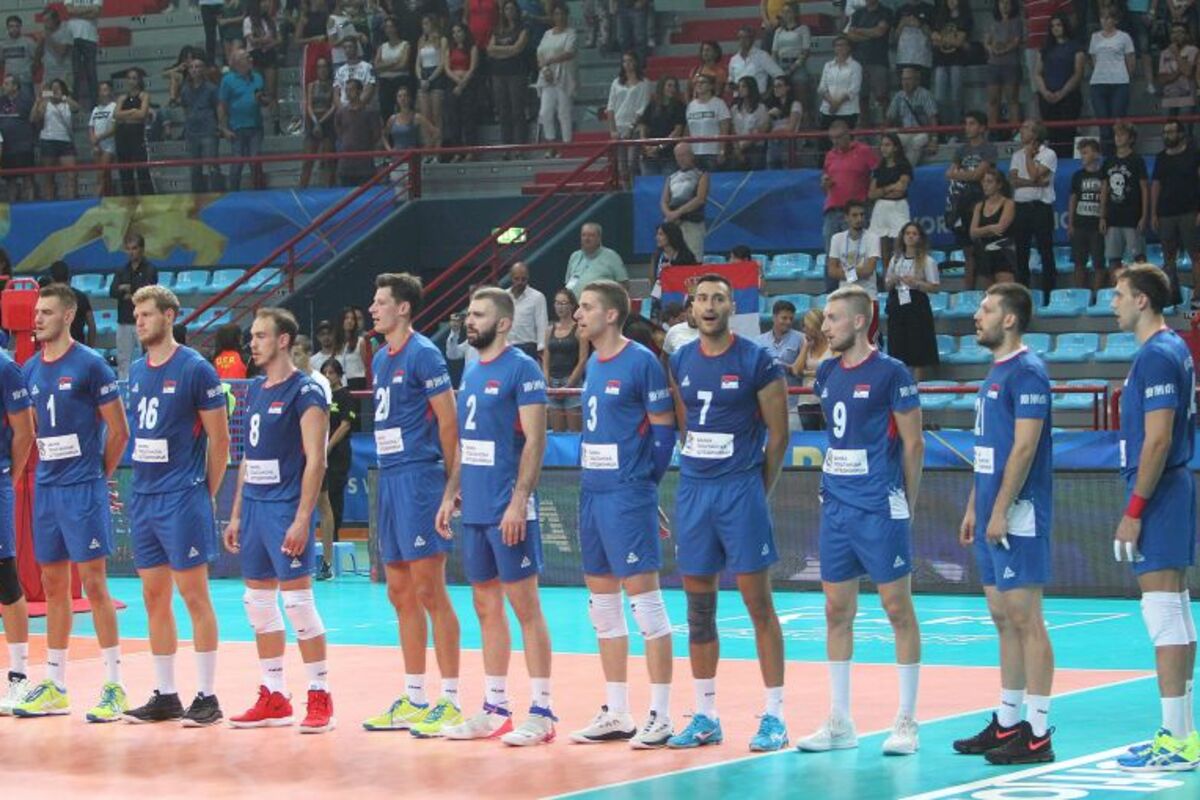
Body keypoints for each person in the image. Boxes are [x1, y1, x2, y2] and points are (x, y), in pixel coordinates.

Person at [663, 273, 789, 752]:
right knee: (699, 612)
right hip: (695, 491)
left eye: (719, 298)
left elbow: (779, 436)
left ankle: (775, 716)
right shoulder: (680, 359)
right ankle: (705, 715)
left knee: (759, 606)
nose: (710, 306)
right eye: (702, 299)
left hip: (740, 491)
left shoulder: (757, 360)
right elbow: (685, 426)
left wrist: (757, 490)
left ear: (731, 306)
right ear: (691, 308)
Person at [797, 285, 924, 756]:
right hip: (836, 506)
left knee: (897, 609)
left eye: (832, 318)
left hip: (879, 505)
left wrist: (906, 502)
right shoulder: (827, 371)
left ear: (857, 321)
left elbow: (913, 443)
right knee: (836, 610)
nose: (825, 326)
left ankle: (907, 721)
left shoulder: (892, 372)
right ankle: (839, 721)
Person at [432, 287, 556, 746]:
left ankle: (542, 711)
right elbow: (467, 443)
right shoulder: (471, 369)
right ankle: (495, 708)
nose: (470, 320)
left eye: (479, 314)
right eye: (469, 313)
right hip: (476, 508)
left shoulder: (522, 369)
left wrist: (519, 500)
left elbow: (536, 441)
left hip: (508, 507)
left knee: (526, 607)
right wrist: (451, 493)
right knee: (485, 606)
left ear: (503, 323)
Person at [565, 280, 676, 747]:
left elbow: (664, 432)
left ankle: (662, 715)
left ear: (611, 315)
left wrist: (644, 488)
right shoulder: (593, 362)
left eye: (586, 307)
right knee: (603, 608)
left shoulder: (641, 361)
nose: (577, 315)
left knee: (646, 607)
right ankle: (617, 712)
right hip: (593, 492)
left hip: (627, 494)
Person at [12, 284, 129, 722]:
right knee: (53, 585)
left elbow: (119, 431)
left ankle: (114, 687)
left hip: (83, 488)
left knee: (95, 585)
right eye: (36, 312)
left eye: (46, 312)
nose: (37, 318)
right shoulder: (29, 369)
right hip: (48, 488)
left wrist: (99, 475)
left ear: (67, 315)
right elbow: (32, 430)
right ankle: (55, 685)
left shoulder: (91, 364)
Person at [953, 282, 1056, 765]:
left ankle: (1038, 733)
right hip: (993, 511)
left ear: (1009, 319)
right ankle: (1009, 720)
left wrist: (999, 509)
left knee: (1026, 619)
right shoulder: (995, 372)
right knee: (1002, 618)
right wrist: (976, 505)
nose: (978, 316)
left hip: (1019, 513)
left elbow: (1024, 447)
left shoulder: (1028, 371)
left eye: (987, 309)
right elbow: (988, 451)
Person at [121, 286, 230, 726]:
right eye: (136, 315)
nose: (139, 321)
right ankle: (166, 695)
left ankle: (208, 696)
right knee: (153, 596)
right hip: (145, 496)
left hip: (182, 496)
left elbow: (220, 440)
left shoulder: (196, 369)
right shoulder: (136, 370)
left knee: (194, 595)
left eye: (147, 314)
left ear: (169, 316)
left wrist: (205, 492)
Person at [361, 273, 464, 736]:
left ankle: (451, 699)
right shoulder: (382, 358)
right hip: (390, 477)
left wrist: (451, 485)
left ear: (403, 308)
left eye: (380, 301)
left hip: (420, 477)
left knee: (429, 590)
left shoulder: (424, 354)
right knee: (399, 590)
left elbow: (449, 423)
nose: (372, 308)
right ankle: (414, 696)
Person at [222, 308, 334, 733]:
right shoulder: (255, 389)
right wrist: (236, 513)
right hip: (254, 508)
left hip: (286, 508)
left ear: (283, 340)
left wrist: (304, 518)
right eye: (252, 336)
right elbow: (248, 458)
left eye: (261, 336)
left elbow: (316, 460)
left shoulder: (306, 391)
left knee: (298, 605)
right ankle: (274, 695)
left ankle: (320, 694)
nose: (252, 343)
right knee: (257, 603)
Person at [1110, 264, 1200, 771]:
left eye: (1120, 295)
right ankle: (1183, 735)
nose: (1114, 304)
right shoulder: (1171, 349)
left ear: (1142, 300)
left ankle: (1176, 740)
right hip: (1171, 489)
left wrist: (1134, 510)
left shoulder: (1158, 355)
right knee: (1177, 611)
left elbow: (1159, 439)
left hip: (1160, 492)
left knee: (1163, 612)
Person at [0, 329, 35, 714]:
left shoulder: (6, 368)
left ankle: (19, 677)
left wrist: (8, 479)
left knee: (5, 576)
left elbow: (25, 431)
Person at [821, 120, 878, 284]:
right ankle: (831, 292)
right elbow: (825, 183)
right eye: (832, 138)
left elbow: (878, 173)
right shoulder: (830, 155)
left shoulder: (864, 151)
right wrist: (825, 183)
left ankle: (859, 287)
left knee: (856, 252)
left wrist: (871, 194)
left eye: (838, 137)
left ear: (848, 135)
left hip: (856, 211)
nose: (835, 142)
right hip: (833, 209)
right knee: (831, 253)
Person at [1151, 119, 1200, 309]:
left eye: (1171, 131)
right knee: (1168, 257)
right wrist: (1154, 213)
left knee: (1196, 255)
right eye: (1165, 132)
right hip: (1166, 214)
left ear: (1181, 134)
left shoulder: (1194, 154)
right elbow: (1156, 185)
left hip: (1190, 212)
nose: (1167, 135)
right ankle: (1172, 296)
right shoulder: (1161, 157)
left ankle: (1197, 296)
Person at [884, 222, 940, 380]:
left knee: (917, 347)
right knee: (897, 345)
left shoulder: (927, 261)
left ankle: (917, 384)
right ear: (902, 237)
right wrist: (893, 280)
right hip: (898, 304)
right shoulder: (895, 260)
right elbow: (887, 285)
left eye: (914, 234)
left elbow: (935, 287)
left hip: (917, 305)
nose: (910, 236)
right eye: (907, 233)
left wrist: (917, 283)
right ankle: (902, 382)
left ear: (920, 237)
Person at [1009, 121, 1057, 303]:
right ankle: (1023, 297)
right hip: (1021, 208)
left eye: (1026, 128)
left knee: (1046, 252)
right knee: (1021, 254)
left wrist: (1029, 157)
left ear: (1036, 134)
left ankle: (1049, 296)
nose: (1021, 130)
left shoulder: (1049, 154)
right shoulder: (1017, 155)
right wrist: (1034, 183)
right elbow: (1014, 181)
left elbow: (1035, 174)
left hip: (1040, 207)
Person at [319, 357, 357, 567]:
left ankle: (333, 539)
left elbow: (345, 425)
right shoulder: (322, 395)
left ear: (339, 375)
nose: (328, 376)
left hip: (338, 454)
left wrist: (328, 446)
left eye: (331, 373)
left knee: (334, 495)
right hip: (322, 453)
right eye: (325, 372)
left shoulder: (345, 396)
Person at [828, 200, 881, 342]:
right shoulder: (837, 239)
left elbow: (869, 270)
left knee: (868, 343)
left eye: (862, 215)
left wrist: (844, 271)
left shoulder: (872, 238)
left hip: (867, 297)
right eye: (855, 215)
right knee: (847, 342)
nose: (859, 219)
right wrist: (858, 270)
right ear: (846, 217)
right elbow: (832, 271)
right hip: (845, 299)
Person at [1101, 122, 1149, 275]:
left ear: (1131, 138)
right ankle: (1116, 288)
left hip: (1132, 217)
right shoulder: (1108, 161)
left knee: (1138, 258)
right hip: (1112, 217)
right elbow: (1104, 190)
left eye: (1122, 135)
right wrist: (1102, 216)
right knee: (1113, 258)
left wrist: (1144, 216)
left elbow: (1144, 189)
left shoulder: (1137, 160)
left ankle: (1142, 286)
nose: (1118, 138)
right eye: (1116, 135)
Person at [110, 233, 160, 381]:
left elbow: (147, 289)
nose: (131, 252)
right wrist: (132, 291)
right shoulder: (121, 270)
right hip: (124, 320)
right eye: (128, 249)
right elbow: (112, 291)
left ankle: (148, 384)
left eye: (135, 248)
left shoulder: (150, 268)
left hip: (144, 321)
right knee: (123, 359)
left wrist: (128, 288)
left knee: (149, 357)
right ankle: (123, 388)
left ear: (142, 249)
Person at [1035, 13, 1085, 158]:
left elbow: (1078, 74)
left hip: (1069, 97)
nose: (1055, 29)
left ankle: (1067, 162)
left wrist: (1062, 93)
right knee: (1051, 134)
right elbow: (1037, 73)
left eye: (1058, 25)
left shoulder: (1076, 47)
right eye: (1052, 26)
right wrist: (1045, 92)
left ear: (1065, 26)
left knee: (1067, 133)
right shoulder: (1045, 49)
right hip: (1047, 98)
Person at [218, 50, 267, 192]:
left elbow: (264, 101)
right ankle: (234, 192)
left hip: (256, 126)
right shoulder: (228, 80)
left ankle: (258, 192)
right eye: (247, 58)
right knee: (237, 162)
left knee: (255, 161)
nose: (251, 59)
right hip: (236, 127)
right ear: (237, 62)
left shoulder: (258, 77)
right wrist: (224, 128)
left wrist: (262, 100)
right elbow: (222, 105)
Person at [1089, 9, 1135, 152]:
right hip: (1098, 83)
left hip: (1119, 83)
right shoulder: (1095, 37)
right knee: (1103, 124)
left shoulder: (1124, 37)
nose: (1105, 21)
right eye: (1103, 17)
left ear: (1115, 20)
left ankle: (1121, 153)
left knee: (1118, 123)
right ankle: (1107, 155)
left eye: (1109, 18)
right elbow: (1094, 60)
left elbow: (1130, 61)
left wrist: (1124, 76)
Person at [176, 59, 224, 194]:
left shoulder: (211, 88)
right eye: (191, 67)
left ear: (203, 69)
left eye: (197, 67)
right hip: (192, 132)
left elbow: (219, 106)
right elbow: (184, 107)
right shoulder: (185, 89)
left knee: (212, 166)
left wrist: (220, 125)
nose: (194, 69)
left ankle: (217, 194)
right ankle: (197, 196)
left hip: (208, 130)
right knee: (194, 167)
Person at [536, 3, 577, 156]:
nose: (559, 17)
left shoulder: (571, 33)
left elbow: (569, 52)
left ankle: (567, 146)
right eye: (556, 14)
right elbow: (539, 53)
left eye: (562, 14)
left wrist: (550, 61)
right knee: (545, 112)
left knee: (563, 112)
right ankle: (551, 144)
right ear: (553, 16)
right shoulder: (547, 34)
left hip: (564, 76)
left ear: (566, 15)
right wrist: (545, 69)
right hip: (547, 76)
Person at [867, 132, 913, 270]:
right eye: (882, 145)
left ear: (895, 147)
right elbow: (871, 194)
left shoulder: (904, 166)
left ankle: (899, 275)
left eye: (887, 145)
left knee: (899, 246)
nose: (884, 148)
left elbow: (901, 189)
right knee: (884, 250)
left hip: (898, 207)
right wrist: (890, 187)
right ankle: (887, 277)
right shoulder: (879, 168)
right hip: (881, 208)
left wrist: (882, 191)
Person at [544, 288, 586, 432]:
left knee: (575, 433)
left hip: (572, 382)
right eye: (557, 303)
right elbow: (546, 359)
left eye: (563, 303)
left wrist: (569, 386)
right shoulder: (549, 330)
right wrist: (547, 381)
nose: (560, 307)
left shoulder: (579, 329)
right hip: (553, 382)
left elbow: (582, 360)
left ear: (572, 305)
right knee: (557, 434)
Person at [489, 1, 530, 148]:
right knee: (503, 111)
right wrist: (509, 50)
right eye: (506, 8)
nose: (509, 11)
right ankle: (506, 146)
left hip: (516, 73)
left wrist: (500, 51)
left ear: (517, 11)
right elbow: (490, 49)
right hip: (498, 74)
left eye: (512, 8)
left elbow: (518, 48)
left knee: (517, 110)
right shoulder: (497, 30)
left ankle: (520, 146)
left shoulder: (522, 29)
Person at [756, 299, 804, 427]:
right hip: (765, 405)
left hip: (792, 405)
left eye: (791, 318)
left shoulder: (801, 339)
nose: (788, 322)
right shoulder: (759, 341)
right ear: (774, 317)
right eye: (784, 318)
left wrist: (786, 367)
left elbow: (803, 369)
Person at [607, 51, 651, 188]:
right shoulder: (616, 82)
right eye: (625, 61)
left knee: (633, 163)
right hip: (619, 127)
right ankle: (626, 191)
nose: (627, 64)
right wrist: (612, 129)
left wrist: (631, 127)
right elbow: (611, 107)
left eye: (630, 60)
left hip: (635, 127)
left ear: (636, 62)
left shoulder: (644, 83)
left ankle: (636, 191)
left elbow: (643, 108)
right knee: (622, 168)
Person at [845, 0, 893, 124]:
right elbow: (850, 35)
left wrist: (859, 30)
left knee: (882, 97)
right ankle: (864, 130)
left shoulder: (885, 12)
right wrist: (870, 33)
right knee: (861, 99)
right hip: (858, 62)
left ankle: (886, 128)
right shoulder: (858, 13)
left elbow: (880, 32)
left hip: (878, 61)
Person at [661, 143, 709, 261]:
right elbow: (664, 201)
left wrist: (677, 213)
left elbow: (700, 199)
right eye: (678, 156)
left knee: (694, 257)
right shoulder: (671, 177)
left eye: (684, 155)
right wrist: (668, 214)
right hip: (673, 224)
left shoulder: (702, 174)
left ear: (691, 155)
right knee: (670, 258)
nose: (681, 159)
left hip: (692, 223)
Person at [31, 78, 78, 201]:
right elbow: (34, 118)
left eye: (58, 88)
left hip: (65, 141)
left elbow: (76, 108)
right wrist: (39, 100)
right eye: (53, 88)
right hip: (48, 140)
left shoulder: (67, 102)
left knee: (71, 175)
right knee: (49, 176)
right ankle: (49, 202)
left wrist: (63, 97)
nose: (55, 90)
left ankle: (71, 202)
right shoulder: (46, 103)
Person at [1068, 139, 1105, 291]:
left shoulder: (1104, 175)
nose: (1082, 156)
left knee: (1098, 263)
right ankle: (1080, 295)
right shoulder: (1077, 176)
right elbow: (1073, 199)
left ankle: (1096, 296)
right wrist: (1071, 223)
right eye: (1081, 153)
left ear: (1096, 154)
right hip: (1080, 225)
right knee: (1079, 263)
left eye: (1085, 152)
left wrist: (1103, 219)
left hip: (1097, 226)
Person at [971, 167, 1017, 286]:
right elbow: (973, 233)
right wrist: (990, 228)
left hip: (1004, 254)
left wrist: (982, 231)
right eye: (983, 182)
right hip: (984, 254)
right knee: (990, 293)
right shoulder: (979, 206)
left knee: (1006, 292)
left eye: (989, 182)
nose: (985, 185)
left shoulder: (1008, 204)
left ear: (999, 185)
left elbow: (1001, 228)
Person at [885, 67, 938, 167]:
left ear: (916, 81)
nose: (905, 82)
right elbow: (889, 118)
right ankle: (890, 169)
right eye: (903, 79)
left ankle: (906, 170)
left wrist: (934, 140)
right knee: (891, 141)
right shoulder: (899, 96)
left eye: (909, 79)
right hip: (906, 132)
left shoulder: (925, 94)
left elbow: (933, 118)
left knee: (916, 142)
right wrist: (884, 137)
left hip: (923, 132)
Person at [790, 308, 834, 431]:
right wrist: (805, 347)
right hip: (806, 401)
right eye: (803, 326)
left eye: (807, 326)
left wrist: (808, 373)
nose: (804, 330)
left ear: (816, 326)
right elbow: (796, 370)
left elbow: (834, 371)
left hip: (827, 398)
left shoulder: (832, 345)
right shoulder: (806, 345)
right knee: (809, 435)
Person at [931, 0, 973, 125]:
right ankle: (944, 127)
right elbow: (933, 38)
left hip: (957, 61)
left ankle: (956, 127)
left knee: (956, 97)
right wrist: (951, 39)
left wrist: (942, 39)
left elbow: (959, 42)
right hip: (940, 61)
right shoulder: (940, 17)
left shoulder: (965, 17)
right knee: (939, 97)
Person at [114, 68, 154, 197]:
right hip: (122, 135)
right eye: (129, 78)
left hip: (137, 135)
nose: (131, 81)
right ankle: (128, 198)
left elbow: (142, 114)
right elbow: (116, 115)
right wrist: (132, 111)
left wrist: (125, 115)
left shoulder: (144, 95)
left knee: (142, 169)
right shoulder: (122, 97)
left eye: (134, 78)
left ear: (139, 80)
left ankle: (147, 198)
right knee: (125, 170)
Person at [984, 0, 1022, 135]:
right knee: (993, 99)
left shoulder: (1016, 22)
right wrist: (991, 49)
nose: (1004, 6)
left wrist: (1003, 50)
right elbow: (987, 41)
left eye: (1007, 3)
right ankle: (993, 131)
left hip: (1011, 65)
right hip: (993, 65)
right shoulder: (992, 23)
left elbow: (1016, 41)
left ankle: (1015, 132)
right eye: (1001, 3)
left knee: (1012, 99)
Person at [243, 0, 281, 134]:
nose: (266, 4)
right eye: (263, 2)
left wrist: (267, 43)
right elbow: (251, 41)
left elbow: (278, 39)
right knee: (257, 92)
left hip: (269, 55)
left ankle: (276, 123)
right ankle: (256, 123)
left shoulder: (270, 20)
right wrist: (266, 40)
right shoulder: (248, 21)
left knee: (272, 92)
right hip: (255, 57)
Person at [443, 22, 480, 158]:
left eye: (459, 31)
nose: (456, 35)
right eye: (454, 32)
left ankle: (471, 150)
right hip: (452, 84)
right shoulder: (449, 48)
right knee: (453, 119)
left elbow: (472, 67)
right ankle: (457, 151)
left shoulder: (472, 47)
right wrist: (457, 82)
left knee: (468, 118)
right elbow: (447, 68)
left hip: (468, 84)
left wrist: (462, 84)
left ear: (465, 32)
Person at [638, 76, 686, 176]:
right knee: (650, 183)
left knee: (668, 182)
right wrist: (645, 145)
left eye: (674, 86)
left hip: (669, 155)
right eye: (669, 86)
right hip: (650, 155)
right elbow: (643, 125)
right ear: (662, 87)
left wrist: (659, 147)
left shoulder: (679, 106)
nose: (672, 89)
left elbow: (677, 131)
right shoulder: (652, 105)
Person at [565, 222, 629, 295]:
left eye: (591, 235)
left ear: (599, 238)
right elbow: (569, 285)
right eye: (584, 235)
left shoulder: (611, 256)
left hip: (603, 301)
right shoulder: (575, 256)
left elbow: (624, 284)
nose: (586, 238)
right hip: (576, 302)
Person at [301, 57, 336, 188]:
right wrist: (315, 121)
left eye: (324, 67)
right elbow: (309, 105)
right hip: (313, 120)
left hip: (327, 120)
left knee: (328, 160)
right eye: (319, 67)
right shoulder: (311, 85)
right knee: (307, 160)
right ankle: (302, 187)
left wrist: (321, 121)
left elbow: (334, 106)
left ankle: (329, 187)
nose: (322, 70)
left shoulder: (333, 85)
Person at [684, 74, 730, 171]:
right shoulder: (691, 105)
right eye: (697, 83)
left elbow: (724, 130)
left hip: (712, 153)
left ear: (711, 86)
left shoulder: (719, 104)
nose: (699, 85)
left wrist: (722, 150)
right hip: (694, 153)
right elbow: (688, 131)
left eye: (702, 82)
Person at [0, 75, 35, 202]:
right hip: (6, 148)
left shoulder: (27, 100)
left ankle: (30, 207)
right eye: (3, 83)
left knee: (28, 179)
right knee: (10, 181)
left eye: (7, 84)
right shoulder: (1, 101)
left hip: (24, 146)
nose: (3, 86)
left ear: (15, 86)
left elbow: (34, 119)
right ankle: (13, 207)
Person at [816, 36, 862, 131]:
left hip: (848, 111)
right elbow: (822, 88)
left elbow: (854, 89)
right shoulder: (828, 65)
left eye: (843, 45)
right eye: (837, 45)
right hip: (828, 109)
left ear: (849, 47)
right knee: (824, 138)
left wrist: (837, 104)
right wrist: (832, 102)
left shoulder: (855, 66)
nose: (840, 48)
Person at [1157, 22, 1197, 125]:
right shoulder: (1164, 53)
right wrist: (1179, 72)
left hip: (1187, 98)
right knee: (1167, 129)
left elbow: (1188, 72)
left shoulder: (1193, 51)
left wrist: (1176, 54)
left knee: (1186, 129)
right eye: (1173, 32)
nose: (1176, 35)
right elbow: (1162, 79)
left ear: (1187, 35)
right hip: (1168, 97)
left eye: (1180, 32)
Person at [48, 260, 95, 347]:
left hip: (56, 349)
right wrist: (90, 349)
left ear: (52, 279)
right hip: (78, 348)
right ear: (69, 276)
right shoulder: (81, 297)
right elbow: (92, 325)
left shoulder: (48, 300)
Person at [64, 0, 101, 109]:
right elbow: (69, 10)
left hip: (90, 37)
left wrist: (77, 13)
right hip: (73, 37)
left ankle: (94, 106)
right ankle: (74, 105)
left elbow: (96, 12)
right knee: (75, 73)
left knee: (91, 73)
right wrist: (88, 10)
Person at [507, 262, 548, 361]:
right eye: (516, 279)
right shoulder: (504, 296)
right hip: (507, 347)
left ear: (528, 278)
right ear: (511, 277)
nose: (520, 282)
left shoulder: (537, 297)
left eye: (523, 279)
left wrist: (541, 348)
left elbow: (542, 324)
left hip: (528, 347)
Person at [374, 17, 411, 126]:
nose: (389, 29)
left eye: (391, 26)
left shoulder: (405, 45)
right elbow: (376, 66)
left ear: (396, 28)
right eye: (386, 27)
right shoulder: (382, 46)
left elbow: (403, 65)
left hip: (400, 80)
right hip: (385, 82)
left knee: (403, 109)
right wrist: (394, 62)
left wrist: (384, 66)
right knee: (385, 111)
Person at [728, 25, 783, 95]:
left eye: (746, 37)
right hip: (738, 99)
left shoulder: (762, 56)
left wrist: (769, 93)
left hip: (758, 98)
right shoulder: (733, 60)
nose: (743, 40)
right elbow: (731, 80)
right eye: (740, 37)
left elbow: (779, 75)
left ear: (752, 39)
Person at [730, 76, 770, 171]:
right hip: (738, 148)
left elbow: (763, 129)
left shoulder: (761, 108)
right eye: (739, 87)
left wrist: (746, 144)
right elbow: (732, 130)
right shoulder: (734, 109)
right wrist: (737, 148)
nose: (740, 89)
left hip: (755, 149)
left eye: (743, 86)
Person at [765, 75, 802, 170]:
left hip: (788, 142)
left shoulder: (795, 104)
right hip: (773, 143)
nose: (776, 89)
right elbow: (765, 128)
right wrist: (768, 116)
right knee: (772, 170)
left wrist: (774, 132)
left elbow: (791, 128)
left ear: (787, 88)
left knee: (787, 169)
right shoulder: (772, 105)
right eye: (774, 86)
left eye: (779, 86)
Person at [88, 80, 117, 197]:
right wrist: (93, 140)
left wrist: (100, 137)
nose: (103, 92)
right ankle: (109, 197)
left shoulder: (114, 107)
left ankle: (95, 199)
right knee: (105, 175)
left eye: (105, 90)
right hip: (97, 145)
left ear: (110, 91)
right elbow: (91, 126)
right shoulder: (96, 109)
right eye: (101, 90)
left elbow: (115, 128)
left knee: (102, 174)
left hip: (109, 145)